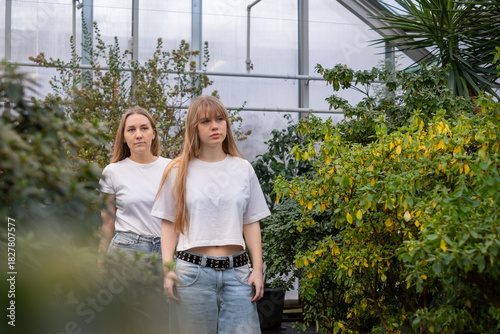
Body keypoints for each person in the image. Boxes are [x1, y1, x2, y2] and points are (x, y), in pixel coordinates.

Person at [152, 95, 270, 334]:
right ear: (193, 127)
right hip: (192, 275)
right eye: (205, 121)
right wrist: (167, 270)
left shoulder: (242, 168)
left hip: (238, 275)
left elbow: (251, 222)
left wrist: (257, 269)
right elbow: (168, 224)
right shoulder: (177, 170)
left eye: (219, 119)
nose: (215, 126)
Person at [99, 106, 171, 263]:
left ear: (153, 134)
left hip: (165, 252)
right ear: (124, 137)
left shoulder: (172, 168)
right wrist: (100, 261)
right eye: (131, 130)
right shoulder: (112, 172)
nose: (138, 135)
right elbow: (107, 221)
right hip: (126, 251)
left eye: (144, 128)